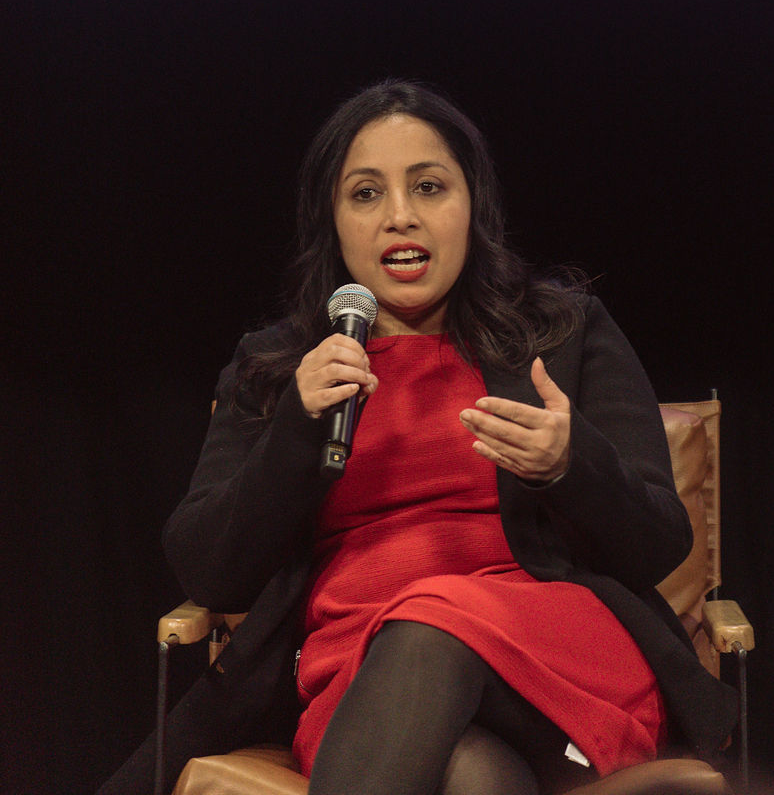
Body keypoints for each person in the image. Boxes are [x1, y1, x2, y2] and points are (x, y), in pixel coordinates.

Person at [99, 80, 736, 795]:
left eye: (429, 187)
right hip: (357, 669)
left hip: (554, 656)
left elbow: (658, 542)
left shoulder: (562, 332)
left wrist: (569, 465)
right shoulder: (280, 367)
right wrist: (296, 429)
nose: (400, 216)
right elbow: (209, 571)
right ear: (331, 220)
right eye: (366, 194)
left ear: (473, 205)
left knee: (430, 623)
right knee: (471, 774)